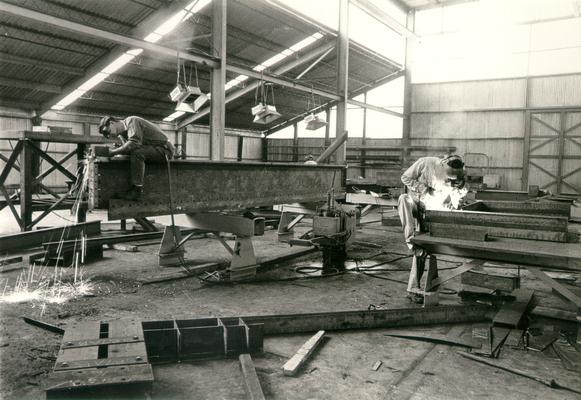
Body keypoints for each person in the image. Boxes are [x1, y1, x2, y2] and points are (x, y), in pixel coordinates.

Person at [397, 154, 466, 299]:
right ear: (443, 164)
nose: (450, 180)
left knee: (423, 248)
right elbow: (405, 178)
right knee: (403, 199)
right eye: (449, 178)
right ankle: (410, 238)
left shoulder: (459, 173)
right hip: (415, 203)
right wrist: (424, 189)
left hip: (430, 209)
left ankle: (415, 287)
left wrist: (457, 190)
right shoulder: (425, 163)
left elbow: (459, 190)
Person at [97, 115, 175, 201]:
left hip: (164, 150)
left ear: (112, 123)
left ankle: (137, 190)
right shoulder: (122, 135)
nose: (110, 135)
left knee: (137, 153)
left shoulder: (131, 121)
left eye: (108, 131)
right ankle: (128, 187)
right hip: (153, 149)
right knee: (131, 154)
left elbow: (134, 143)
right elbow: (127, 149)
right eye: (107, 135)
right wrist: (114, 151)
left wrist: (113, 152)